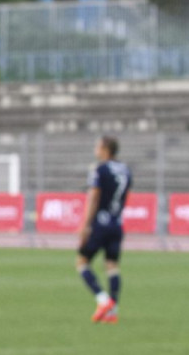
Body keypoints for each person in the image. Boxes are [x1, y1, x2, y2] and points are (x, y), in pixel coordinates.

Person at [77, 135, 132, 324]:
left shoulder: (99, 169)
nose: (96, 149)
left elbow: (94, 196)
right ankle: (113, 311)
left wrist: (85, 225)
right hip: (117, 223)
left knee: (82, 263)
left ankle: (103, 300)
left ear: (106, 149)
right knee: (112, 266)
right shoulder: (126, 170)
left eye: (97, 145)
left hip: (100, 223)